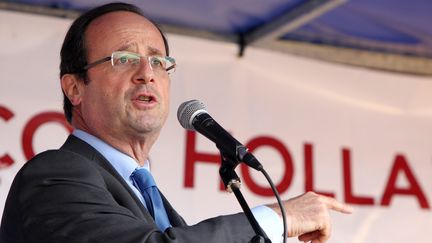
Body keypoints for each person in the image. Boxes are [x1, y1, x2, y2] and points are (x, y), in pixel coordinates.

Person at [0, 2, 352, 243]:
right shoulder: (54, 174)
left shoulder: (148, 197)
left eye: (158, 62)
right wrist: (278, 218)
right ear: (74, 87)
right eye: (123, 59)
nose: (146, 74)